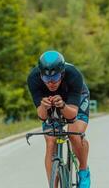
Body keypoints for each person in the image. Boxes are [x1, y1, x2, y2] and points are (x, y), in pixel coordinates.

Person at [27, 50, 91, 188]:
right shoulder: (33, 78)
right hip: (50, 104)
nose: (50, 83)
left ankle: (84, 171)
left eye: (55, 78)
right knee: (50, 141)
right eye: (46, 79)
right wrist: (44, 107)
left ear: (62, 74)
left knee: (75, 135)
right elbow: (42, 116)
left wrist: (62, 105)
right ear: (40, 75)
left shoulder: (74, 75)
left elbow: (72, 114)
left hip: (74, 101)